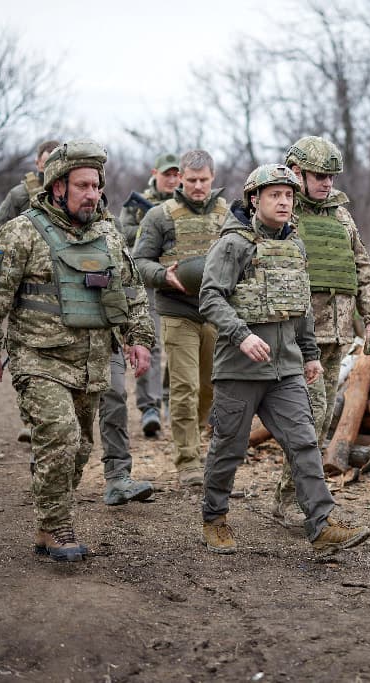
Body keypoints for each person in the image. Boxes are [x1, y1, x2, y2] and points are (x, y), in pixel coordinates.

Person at [0, 139, 154, 562]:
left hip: (91, 360)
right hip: (39, 357)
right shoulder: (22, 231)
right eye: (83, 186)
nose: (93, 194)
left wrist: (139, 338)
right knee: (60, 436)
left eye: (96, 186)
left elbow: (131, 290)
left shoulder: (107, 234)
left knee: (79, 449)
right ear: (57, 187)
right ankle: (58, 527)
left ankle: (45, 522)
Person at [198, 163, 370, 555]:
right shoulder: (233, 244)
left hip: (286, 368)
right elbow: (209, 298)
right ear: (254, 199)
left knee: (304, 442)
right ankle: (215, 517)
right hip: (240, 369)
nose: (284, 201)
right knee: (229, 447)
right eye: (275, 194)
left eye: (289, 195)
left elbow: (301, 306)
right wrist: (242, 336)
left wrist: (308, 354)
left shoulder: (295, 244)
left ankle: (321, 524)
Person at [272, 135, 370, 526]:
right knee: (308, 418)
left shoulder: (341, 216)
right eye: (319, 176)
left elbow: (363, 268)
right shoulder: (279, 211)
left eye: (331, 177)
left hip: (335, 336)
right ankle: (295, 501)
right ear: (297, 173)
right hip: (293, 337)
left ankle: (297, 498)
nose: (327, 184)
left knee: (316, 422)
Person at [133, 149, 226, 486]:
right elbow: (138, 261)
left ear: (212, 178)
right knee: (184, 386)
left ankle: (195, 437)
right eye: (191, 181)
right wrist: (161, 275)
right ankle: (188, 459)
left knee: (208, 389)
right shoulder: (160, 216)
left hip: (216, 312)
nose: (198, 186)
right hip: (176, 309)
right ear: (181, 180)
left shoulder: (228, 215)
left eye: (203, 180)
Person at [0, 139, 61, 444]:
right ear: (38, 163)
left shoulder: (70, 195)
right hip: (25, 283)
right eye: (47, 162)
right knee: (27, 353)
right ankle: (29, 420)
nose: (51, 167)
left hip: (61, 286)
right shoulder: (21, 194)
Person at [114, 152, 181, 438]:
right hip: (149, 282)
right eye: (167, 173)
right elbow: (121, 233)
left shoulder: (184, 203)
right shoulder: (137, 204)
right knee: (149, 343)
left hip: (180, 282)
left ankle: (170, 401)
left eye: (177, 174)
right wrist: (153, 227)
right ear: (155, 173)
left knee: (178, 346)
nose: (172, 179)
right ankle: (150, 407)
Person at [0, 139, 61, 232]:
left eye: (55, 165)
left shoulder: (71, 192)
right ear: (37, 163)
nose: (51, 171)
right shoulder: (19, 194)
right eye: (46, 165)